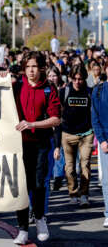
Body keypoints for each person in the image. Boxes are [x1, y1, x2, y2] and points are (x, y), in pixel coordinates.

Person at [12, 51, 61, 245]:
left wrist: (33, 124)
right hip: (19, 145)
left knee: (38, 184)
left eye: (34, 66)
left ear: (41, 68)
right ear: (23, 68)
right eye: (28, 66)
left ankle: (40, 218)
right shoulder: (16, 87)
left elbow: (56, 119)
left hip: (41, 144)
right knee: (21, 188)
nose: (31, 70)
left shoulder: (49, 88)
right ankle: (23, 228)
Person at [60, 64, 93, 207]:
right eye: (75, 79)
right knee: (70, 168)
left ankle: (84, 194)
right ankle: (73, 193)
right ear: (70, 78)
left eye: (80, 79)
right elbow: (58, 114)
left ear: (84, 78)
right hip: (67, 134)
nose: (77, 82)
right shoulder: (64, 92)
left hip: (86, 134)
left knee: (85, 165)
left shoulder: (89, 92)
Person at [91, 77, 108, 228]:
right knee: (107, 181)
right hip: (106, 142)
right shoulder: (98, 91)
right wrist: (102, 140)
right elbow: (95, 119)